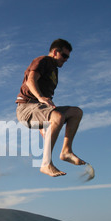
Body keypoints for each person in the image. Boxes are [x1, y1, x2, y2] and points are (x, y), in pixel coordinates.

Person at [16, 39, 85, 177]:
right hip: (26, 107)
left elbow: (46, 109)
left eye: (68, 57)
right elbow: (30, 81)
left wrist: (45, 128)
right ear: (55, 52)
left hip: (39, 109)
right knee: (58, 116)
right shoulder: (43, 60)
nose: (66, 60)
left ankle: (66, 151)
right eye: (64, 56)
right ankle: (46, 164)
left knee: (76, 112)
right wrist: (40, 97)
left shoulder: (54, 71)